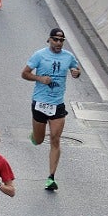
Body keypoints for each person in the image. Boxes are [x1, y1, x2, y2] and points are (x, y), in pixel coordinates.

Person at [22, 27, 81, 190]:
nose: (59, 43)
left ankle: (51, 177)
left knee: (55, 139)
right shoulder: (39, 55)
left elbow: (75, 69)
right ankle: (35, 135)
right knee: (39, 140)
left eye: (62, 40)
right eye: (55, 39)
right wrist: (40, 78)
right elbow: (25, 73)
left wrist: (76, 73)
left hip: (57, 104)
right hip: (40, 102)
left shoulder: (68, 57)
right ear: (49, 40)